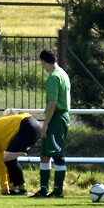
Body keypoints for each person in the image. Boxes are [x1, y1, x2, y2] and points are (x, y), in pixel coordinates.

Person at [32, 49, 71, 198]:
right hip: (58, 117)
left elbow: (52, 103)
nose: (42, 67)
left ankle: (58, 191)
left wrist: (46, 124)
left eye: (42, 63)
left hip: (56, 118)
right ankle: (43, 189)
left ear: (44, 61)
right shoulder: (63, 73)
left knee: (57, 154)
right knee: (44, 154)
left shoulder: (54, 77)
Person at [0, 110, 41, 195]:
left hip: (27, 127)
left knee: (8, 159)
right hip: (33, 123)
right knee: (10, 159)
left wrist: (4, 186)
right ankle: (19, 188)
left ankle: (18, 188)